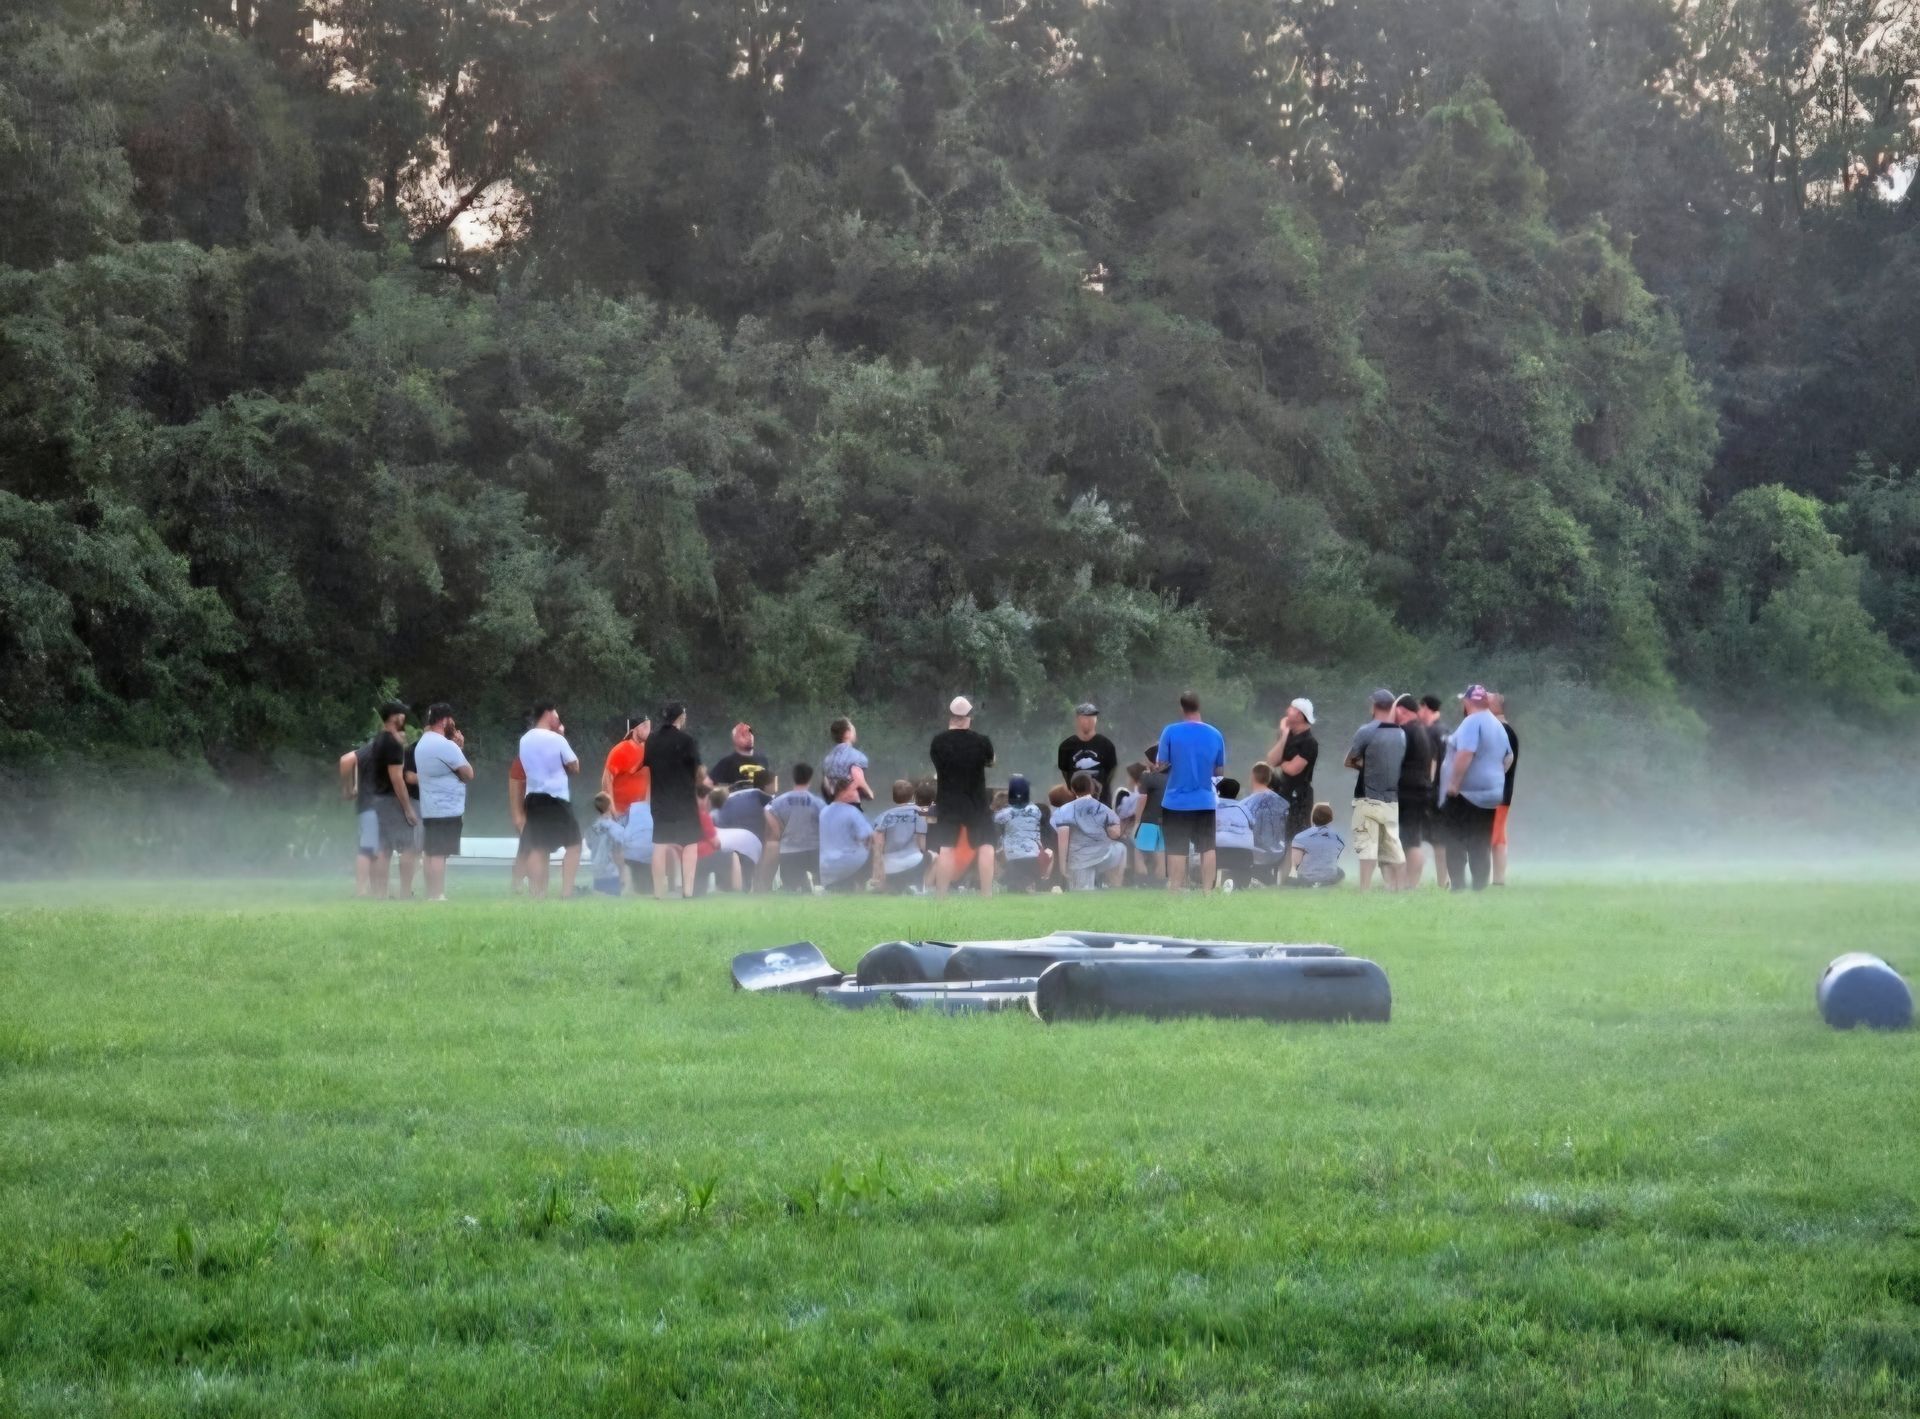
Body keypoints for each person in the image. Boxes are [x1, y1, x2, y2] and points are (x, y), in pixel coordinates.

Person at [1442, 684, 1514, 892]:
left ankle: (1457, 886)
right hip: (1491, 795)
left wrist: (1454, 783)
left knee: (1454, 839)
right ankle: (1480, 887)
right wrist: (1493, 776)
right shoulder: (1497, 725)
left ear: (1468, 701)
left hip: (1467, 793)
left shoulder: (1471, 722)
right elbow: (1508, 757)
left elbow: (1465, 752)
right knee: (1480, 841)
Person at [1155, 691, 1225, 892]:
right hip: (1205, 800)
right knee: (1207, 847)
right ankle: (1207, 892)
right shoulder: (1215, 734)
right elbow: (1219, 770)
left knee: (1177, 849)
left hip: (1175, 801)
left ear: (1182, 708)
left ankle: (1175, 891)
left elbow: (1161, 765)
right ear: (1199, 706)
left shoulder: (1170, 731)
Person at [930, 696, 997, 897]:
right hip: (976, 801)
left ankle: (941, 896)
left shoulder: (938, 742)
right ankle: (986, 895)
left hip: (948, 801)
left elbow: (938, 765)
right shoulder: (982, 741)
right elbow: (991, 762)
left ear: (951, 716)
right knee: (986, 844)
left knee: (946, 847)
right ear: (969, 717)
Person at [517, 703, 583, 899]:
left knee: (539, 846)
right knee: (574, 844)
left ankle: (538, 894)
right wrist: (561, 735)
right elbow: (574, 766)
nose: (558, 718)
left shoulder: (524, 740)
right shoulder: (556, 738)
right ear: (547, 714)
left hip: (533, 797)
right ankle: (566, 893)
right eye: (556, 714)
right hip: (556, 798)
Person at [1345, 689, 1407, 892]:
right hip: (1392, 799)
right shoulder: (1401, 734)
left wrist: (1367, 766)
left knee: (1367, 846)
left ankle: (1365, 890)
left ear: (1373, 705)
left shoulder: (1367, 731)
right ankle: (1397, 888)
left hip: (1368, 798)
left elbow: (1349, 760)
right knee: (1392, 846)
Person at [412, 703, 474, 902]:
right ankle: (438, 895)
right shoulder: (445, 745)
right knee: (439, 853)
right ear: (444, 720)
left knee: (430, 852)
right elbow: (468, 773)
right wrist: (458, 748)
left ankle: (431, 893)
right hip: (446, 807)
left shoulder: (422, 743)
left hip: (430, 807)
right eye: (451, 719)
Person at [645, 702, 703, 900]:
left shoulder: (652, 740)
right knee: (690, 843)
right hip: (684, 801)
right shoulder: (687, 740)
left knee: (660, 844)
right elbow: (698, 771)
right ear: (681, 717)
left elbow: (647, 767)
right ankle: (688, 892)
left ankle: (658, 893)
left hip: (660, 799)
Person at [367, 701, 417, 900]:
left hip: (377, 799)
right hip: (391, 801)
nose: (404, 718)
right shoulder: (393, 744)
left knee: (384, 849)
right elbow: (397, 779)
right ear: (395, 716)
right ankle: (405, 893)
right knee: (409, 847)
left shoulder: (379, 739)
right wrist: (408, 809)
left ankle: (380, 894)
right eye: (402, 714)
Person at [1266, 697, 1318, 880]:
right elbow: (1271, 760)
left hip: (1300, 795)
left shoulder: (1310, 742)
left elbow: (1293, 769)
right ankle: (1281, 878)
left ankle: (1300, 876)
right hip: (1283, 792)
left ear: (1301, 715)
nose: (1287, 711)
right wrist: (1284, 735)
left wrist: (1282, 761)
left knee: (1297, 838)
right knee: (1281, 836)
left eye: (1292, 709)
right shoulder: (1286, 736)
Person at [1052, 771, 1127, 890]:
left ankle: (1098, 884)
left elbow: (1063, 841)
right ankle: (1116, 884)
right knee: (1121, 848)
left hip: (1079, 861)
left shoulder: (1063, 811)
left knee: (1082, 894)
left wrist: (1063, 867)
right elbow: (1115, 834)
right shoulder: (1104, 809)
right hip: (1103, 856)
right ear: (1092, 788)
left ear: (1072, 789)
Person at [1392, 694, 1436, 889]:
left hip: (1408, 792)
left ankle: (1408, 885)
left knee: (1408, 842)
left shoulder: (1405, 732)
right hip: (1421, 790)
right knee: (1413, 840)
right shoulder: (1422, 731)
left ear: (1401, 710)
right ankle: (1410, 884)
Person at [716, 765, 775, 890]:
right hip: (749, 841)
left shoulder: (726, 798)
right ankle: (756, 883)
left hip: (721, 840)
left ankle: (727, 884)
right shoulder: (763, 796)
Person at [766, 764, 823, 892]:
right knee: (818, 885)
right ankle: (813, 884)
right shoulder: (818, 803)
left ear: (793, 778)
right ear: (810, 779)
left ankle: (800, 884)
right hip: (813, 852)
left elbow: (769, 820)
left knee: (792, 888)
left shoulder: (778, 802)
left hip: (788, 853)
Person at [338, 731, 381, 897]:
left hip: (368, 805)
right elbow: (345, 760)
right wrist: (347, 788)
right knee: (368, 849)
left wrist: (348, 788)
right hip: (372, 805)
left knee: (375, 849)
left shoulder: (373, 750)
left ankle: (375, 890)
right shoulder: (375, 749)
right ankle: (362, 890)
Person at [818, 778, 875, 893]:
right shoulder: (852, 811)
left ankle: (838, 885)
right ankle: (861, 884)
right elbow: (869, 837)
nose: (856, 794)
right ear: (844, 792)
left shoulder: (823, 811)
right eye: (853, 790)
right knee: (875, 846)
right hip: (847, 864)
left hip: (826, 865)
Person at [1420, 695, 1452, 889]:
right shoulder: (1446, 731)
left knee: (1423, 840)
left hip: (1432, 792)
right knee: (1441, 841)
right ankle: (1444, 880)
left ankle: (1411, 881)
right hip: (1446, 792)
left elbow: (1431, 762)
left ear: (1425, 708)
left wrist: (1427, 786)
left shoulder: (1430, 732)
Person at [873, 780, 930, 893]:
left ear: (893, 797)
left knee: (894, 888)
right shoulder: (919, 812)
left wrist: (878, 868)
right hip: (913, 861)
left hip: (890, 866)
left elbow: (878, 845)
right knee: (933, 856)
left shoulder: (885, 815)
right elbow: (921, 843)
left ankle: (893, 886)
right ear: (912, 796)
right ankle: (922, 887)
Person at [1056, 703, 1118, 804]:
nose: (1089, 720)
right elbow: (1065, 772)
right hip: (1075, 803)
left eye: (1092, 717)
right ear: (1077, 720)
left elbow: (1111, 770)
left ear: (1096, 720)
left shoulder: (1106, 745)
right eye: (1085, 717)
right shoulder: (1066, 746)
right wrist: (1071, 789)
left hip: (1101, 802)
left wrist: (1102, 786)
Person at [994, 775, 1047, 892]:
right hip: (1033, 853)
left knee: (1014, 885)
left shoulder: (1005, 813)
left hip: (1013, 855)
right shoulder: (1036, 810)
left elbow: (996, 821)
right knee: (1031, 881)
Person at [1243, 762, 1289, 883]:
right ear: (1269, 779)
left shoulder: (1245, 804)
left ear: (1252, 777)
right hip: (1278, 854)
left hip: (1253, 855)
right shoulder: (1283, 803)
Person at [1490, 692, 1519, 886]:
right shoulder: (1504, 730)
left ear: (1497, 706)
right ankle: (1497, 879)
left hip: (1498, 794)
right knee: (1497, 837)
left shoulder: (1503, 731)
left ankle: (1498, 879)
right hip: (1501, 794)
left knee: (1496, 838)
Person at [1286, 803, 1347, 887]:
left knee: (1291, 876)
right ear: (1331, 818)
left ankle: (1313, 883)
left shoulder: (1300, 837)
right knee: (1340, 872)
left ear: (1313, 818)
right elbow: (1335, 857)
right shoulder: (1339, 838)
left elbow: (1295, 864)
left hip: (1307, 879)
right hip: (1329, 878)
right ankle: (1323, 883)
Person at [601, 714, 650, 816]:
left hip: (641, 813)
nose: (648, 730)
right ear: (634, 729)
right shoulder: (622, 749)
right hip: (621, 813)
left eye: (649, 726)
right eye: (644, 726)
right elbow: (607, 780)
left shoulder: (649, 750)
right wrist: (612, 810)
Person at [1213, 777, 1256, 891]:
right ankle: (1239, 884)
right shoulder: (1245, 808)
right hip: (1244, 854)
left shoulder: (1213, 806)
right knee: (1241, 881)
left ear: (1218, 791)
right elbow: (1253, 824)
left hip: (1218, 853)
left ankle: (1212, 883)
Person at [1132, 748, 1167, 884]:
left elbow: (1142, 799)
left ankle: (1142, 881)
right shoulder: (1170, 778)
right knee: (1160, 852)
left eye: (1147, 761)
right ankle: (1160, 884)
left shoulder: (1147, 778)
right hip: (1165, 821)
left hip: (1149, 820)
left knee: (1139, 851)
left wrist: (1137, 822)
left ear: (1153, 762)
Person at [822, 719, 872, 802]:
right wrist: (869, 794)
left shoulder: (827, 759)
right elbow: (859, 781)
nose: (855, 732)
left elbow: (826, 785)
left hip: (832, 802)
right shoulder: (858, 757)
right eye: (853, 729)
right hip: (850, 801)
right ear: (847, 733)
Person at [710, 722, 771, 788]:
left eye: (750, 733)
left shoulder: (763, 759)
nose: (749, 737)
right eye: (743, 735)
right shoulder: (726, 763)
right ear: (735, 739)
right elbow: (711, 785)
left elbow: (770, 786)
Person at [586, 792, 625, 895]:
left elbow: (589, 845)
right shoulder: (616, 829)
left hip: (596, 872)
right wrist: (622, 874)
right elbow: (619, 851)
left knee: (600, 897)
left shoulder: (590, 828)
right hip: (612, 874)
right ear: (610, 806)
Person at [506, 749, 532, 894]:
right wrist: (518, 816)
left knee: (533, 848)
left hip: (544, 808)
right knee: (526, 847)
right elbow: (516, 786)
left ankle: (530, 882)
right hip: (528, 811)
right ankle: (517, 882)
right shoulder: (522, 761)